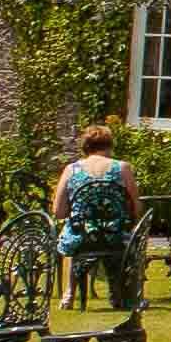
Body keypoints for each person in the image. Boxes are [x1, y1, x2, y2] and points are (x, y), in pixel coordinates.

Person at [52, 120, 143, 309]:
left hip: (82, 237)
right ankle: (125, 292)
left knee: (72, 230)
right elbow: (136, 207)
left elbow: (58, 212)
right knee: (136, 236)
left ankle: (69, 294)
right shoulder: (122, 168)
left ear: (85, 146)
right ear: (109, 145)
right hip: (116, 235)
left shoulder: (72, 169)